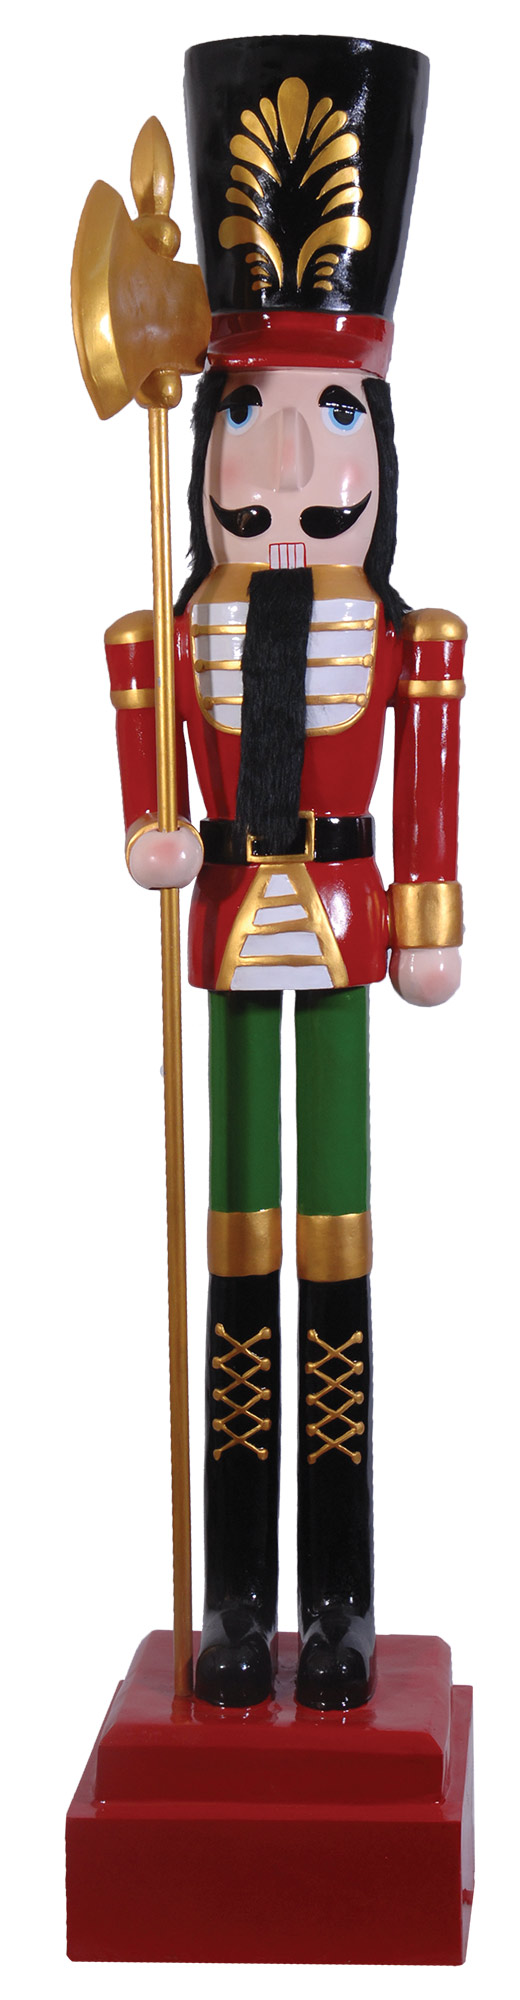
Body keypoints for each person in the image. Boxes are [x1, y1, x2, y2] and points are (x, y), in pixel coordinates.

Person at [105, 35, 465, 1710]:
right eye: (250, 414)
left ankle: (342, 1597)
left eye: (336, 415)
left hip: (343, 919)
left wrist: (433, 913)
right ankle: (238, 1592)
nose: (294, 470)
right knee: (237, 1231)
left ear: (379, 435)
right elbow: (147, 775)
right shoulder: (166, 634)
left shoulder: (406, 637)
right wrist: (154, 831)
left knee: (337, 1235)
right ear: (205, 436)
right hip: (236, 927)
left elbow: (431, 785)